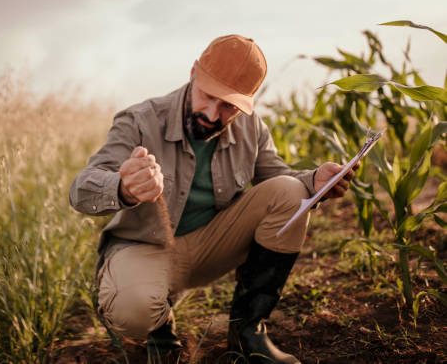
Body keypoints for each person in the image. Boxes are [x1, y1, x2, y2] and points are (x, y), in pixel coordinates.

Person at [69, 34, 354, 364]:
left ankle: (248, 333)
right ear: (193, 73)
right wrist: (123, 187)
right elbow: (81, 191)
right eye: (208, 96)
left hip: (210, 246)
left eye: (229, 106)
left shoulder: (252, 129)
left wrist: (314, 181)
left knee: (291, 192)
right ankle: (160, 326)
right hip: (146, 247)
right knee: (132, 312)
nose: (212, 114)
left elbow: (278, 182)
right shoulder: (139, 120)